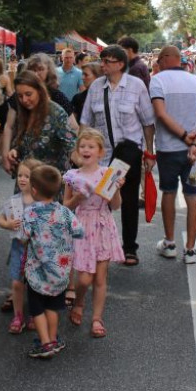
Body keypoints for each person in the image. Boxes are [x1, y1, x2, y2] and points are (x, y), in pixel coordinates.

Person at [79, 44, 156, 266]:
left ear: (120, 64)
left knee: (128, 199)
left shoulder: (136, 86)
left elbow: (147, 122)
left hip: (128, 152)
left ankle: (129, 248)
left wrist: (149, 153)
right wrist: (80, 151)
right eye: (101, 60)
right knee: (99, 200)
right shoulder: (96, 87)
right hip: (102, 154)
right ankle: (98, 244)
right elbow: (86, 121)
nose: (102, 65)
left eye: (107, 61)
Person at [149, 46, 196, 264]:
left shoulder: (157, 81)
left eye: (159, 60)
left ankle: (170, 243)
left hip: (168, 149)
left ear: (166, 59)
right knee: (193, 195)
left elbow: (160, 113)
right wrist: (195, 143)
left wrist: (184, 136)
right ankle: (191, 249)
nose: (157, 64)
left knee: (168, 192)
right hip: (193, 152)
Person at [63, 129, 126, 338]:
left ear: (100, 152)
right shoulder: (72, 176)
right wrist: (77, 198)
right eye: (82, 146)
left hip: (102, 225)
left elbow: (115, 206)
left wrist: (116, 189)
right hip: (82, 226)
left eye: (91, 146)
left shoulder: (108, 174)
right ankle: (79, 301)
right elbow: (65, 206)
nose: (86, 150)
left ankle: (97, 318)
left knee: (100, 277)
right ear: (77, 150)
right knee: (84, 279)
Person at [21, 165, 84, 358]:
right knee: (53, 307)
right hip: (60, 272)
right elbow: (79, 231)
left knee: (37, 309)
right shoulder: (65, 212)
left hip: (37, 272)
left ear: (34, 190)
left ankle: (45, 343)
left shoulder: (30, 213)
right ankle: (53, 339)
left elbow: (23, 236)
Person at [3, 70, 77, 175]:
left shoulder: (55, 113)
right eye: (20, 96)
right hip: (27, 178)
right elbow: (23, 142)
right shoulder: (24, 112)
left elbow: (71, 146)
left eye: (28, 94)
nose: (24, 100)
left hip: (50, 179)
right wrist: (15, 151)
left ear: (39, 91)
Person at [0, 158, 41, 334]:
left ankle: (36, 314)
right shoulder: (14, 200)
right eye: (20, 175)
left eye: (27, 176)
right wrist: (7, 224)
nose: (22, 179)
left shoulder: (42, 202)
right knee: (17, 283)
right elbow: (0, 218)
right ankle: (18, 315)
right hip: (18, 247)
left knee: (35, 284)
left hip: (37, 250)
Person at [70, 62, 102, 127]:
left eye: (86, 75)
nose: (82, 78)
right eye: (82, 74)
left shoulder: (108, 96)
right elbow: (73, 124)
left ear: (97, 77)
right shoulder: (78, 98)